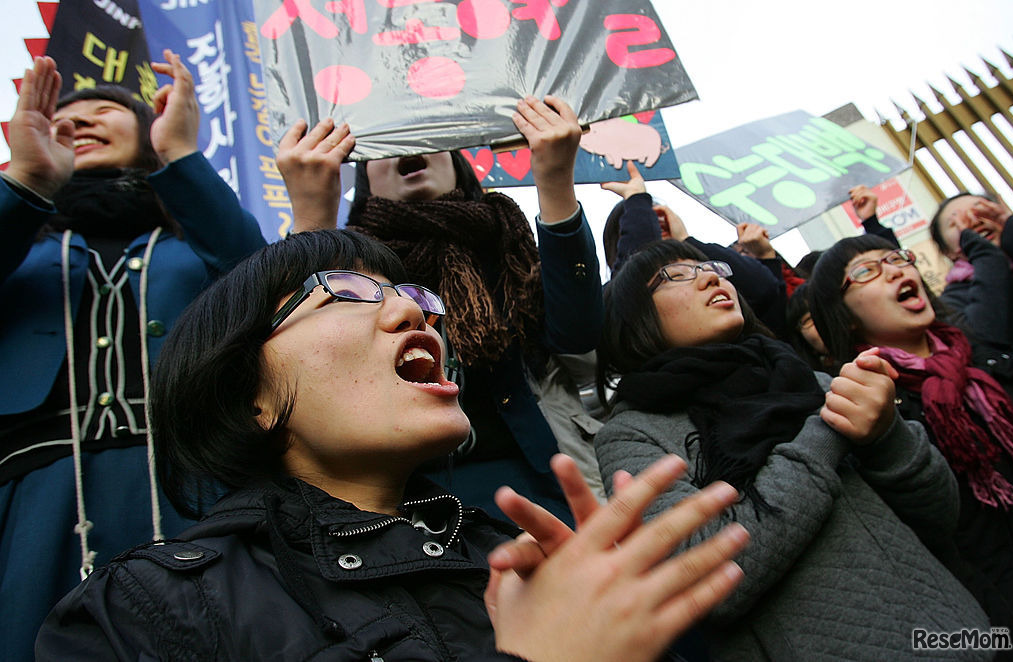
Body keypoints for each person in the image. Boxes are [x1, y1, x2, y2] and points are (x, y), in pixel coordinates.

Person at [35, 228, 750, 661]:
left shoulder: (527, 560)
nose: (415, 310)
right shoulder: (142, 611)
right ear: (247, 396)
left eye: (413, 296)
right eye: (344, 292)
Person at [593, 238, 991, 662]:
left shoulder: (803, 378)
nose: (711, 275)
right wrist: (825, 434)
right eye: (675, 276)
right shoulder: (632, 434)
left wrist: (887, 436)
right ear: (634, 318)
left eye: (709, 267)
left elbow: (941, 514)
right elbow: (705, 579)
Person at [0, 54, 266, 660]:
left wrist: (181, 159)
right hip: (30, 496)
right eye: (63, 117)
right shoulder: (24, 245)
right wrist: (27, 182)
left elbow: (260, 284)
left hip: (193, 486)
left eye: (104, 111)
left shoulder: (191, 238)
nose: (83, 121)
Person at [278, 95, 605, 521]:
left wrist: (557, 184)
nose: (409, 148)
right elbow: (300, 367)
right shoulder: (346, 268)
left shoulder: (505, 238)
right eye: (386, 145)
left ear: (457, 159)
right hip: (400, 499)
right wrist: (311, 223)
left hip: (538, 477)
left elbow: (576, 332)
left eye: (428, 136)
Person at [807, 233, 1013, 650]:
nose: (895, 268)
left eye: (896, 257)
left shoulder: (982, 353)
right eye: (867, 271)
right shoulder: (869, 412)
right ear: (845, 316)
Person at [600, 161, 788, 336]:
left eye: (705, 269)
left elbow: (764, 288)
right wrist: (637, 201)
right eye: (677, 276)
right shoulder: (608, 307)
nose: (710, 277)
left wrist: (686, 240)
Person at [930, 192, 1013, 390]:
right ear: (947, 251)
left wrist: (1011, 227)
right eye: (955, 222)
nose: (971, 223)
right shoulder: (953, 302)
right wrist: (980, 248)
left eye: (979, 210)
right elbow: (991, 336)